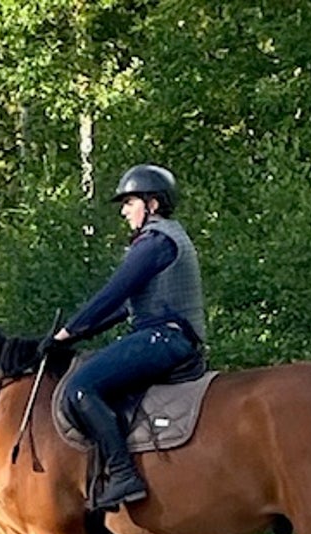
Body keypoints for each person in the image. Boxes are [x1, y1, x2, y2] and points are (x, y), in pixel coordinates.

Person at [46, 163, 206, 511]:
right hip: (161, 335)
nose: (123, 211)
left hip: (164, 338)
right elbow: (124, 309)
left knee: (80, 388)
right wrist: (74, 336)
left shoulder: (157, 242)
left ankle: (123, 475)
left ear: (152, 203)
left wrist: (63, 334)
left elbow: (113, 295)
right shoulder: (161, 240)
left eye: (128, 202)